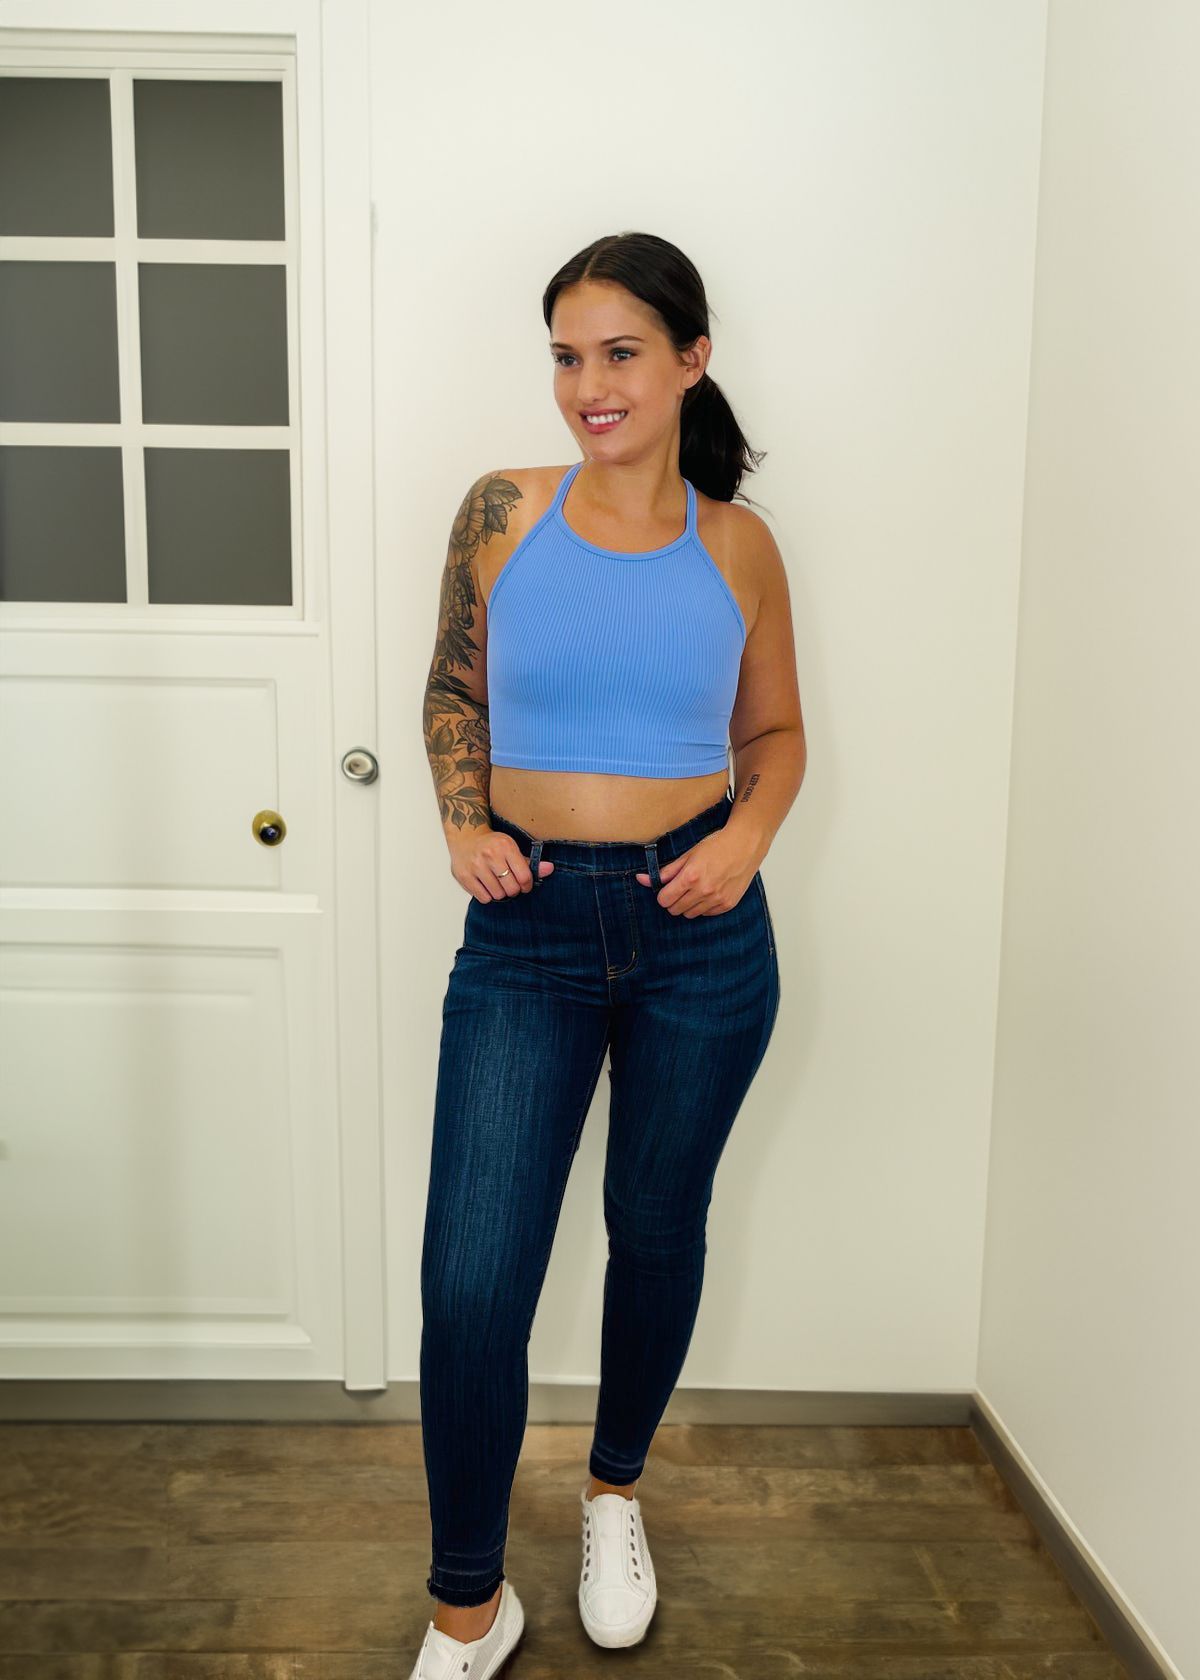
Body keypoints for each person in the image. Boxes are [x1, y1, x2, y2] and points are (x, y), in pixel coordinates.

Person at [412, 230, 806, 1680]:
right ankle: (468, 1608)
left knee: (655, 1231)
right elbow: (455, 684)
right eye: (568, 356)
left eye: (621, 352)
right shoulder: (504, 510)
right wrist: (463, 818)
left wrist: (746, 840)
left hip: (701, 937)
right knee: (474, 1279)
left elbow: (777, 734)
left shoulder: (739, 544)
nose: (590, 384)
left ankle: (613, 1496)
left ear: (691, 360)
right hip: (526, 932)